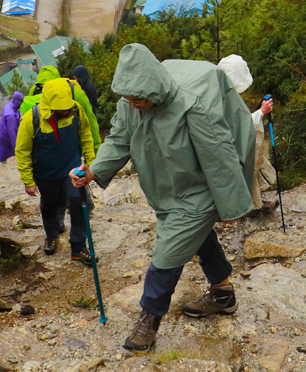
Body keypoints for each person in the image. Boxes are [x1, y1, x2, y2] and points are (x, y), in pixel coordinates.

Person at [74, 44, 255, 352]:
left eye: (138, 99)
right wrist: (92, 171)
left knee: (166, 256)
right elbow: (119, 139)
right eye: (128, 98)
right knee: (195, 237)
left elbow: (219, 157)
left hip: (198, 191)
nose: (132, 104)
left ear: (154, 90)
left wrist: (232, 205)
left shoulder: (192, 106)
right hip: (167, 190)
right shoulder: (132, 102)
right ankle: (223, 295)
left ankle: (149, 320)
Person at [15, 77, 97, 262]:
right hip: (46, 174)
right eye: (62, 110)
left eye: (67, 108)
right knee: (50, 203)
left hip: (72, 169)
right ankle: (52, 235)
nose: (67, 112)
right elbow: (22, 150)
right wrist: (28, 181)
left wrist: (91, 163)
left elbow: (85, 133)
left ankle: (78, 246)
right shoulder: (31, 119)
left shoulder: (75, 110)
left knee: (78, 203)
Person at [217, 54, 278, 214]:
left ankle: (253, 203)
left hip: (224, 147)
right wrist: (261, 112)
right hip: (230, 149)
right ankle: (251, 207)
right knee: (246, 170)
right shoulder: (222, 99)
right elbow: (238, 126)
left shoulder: (217, 93)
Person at [0, 91, 25, 163]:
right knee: (4, 156)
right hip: (7, 139)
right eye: (21, 102)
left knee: (2, 154)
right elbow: (13, 133)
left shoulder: (7, 106)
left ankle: (1, 164)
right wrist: (17, 149)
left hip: (3, 135)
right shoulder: (11, 115)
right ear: (17, 102)